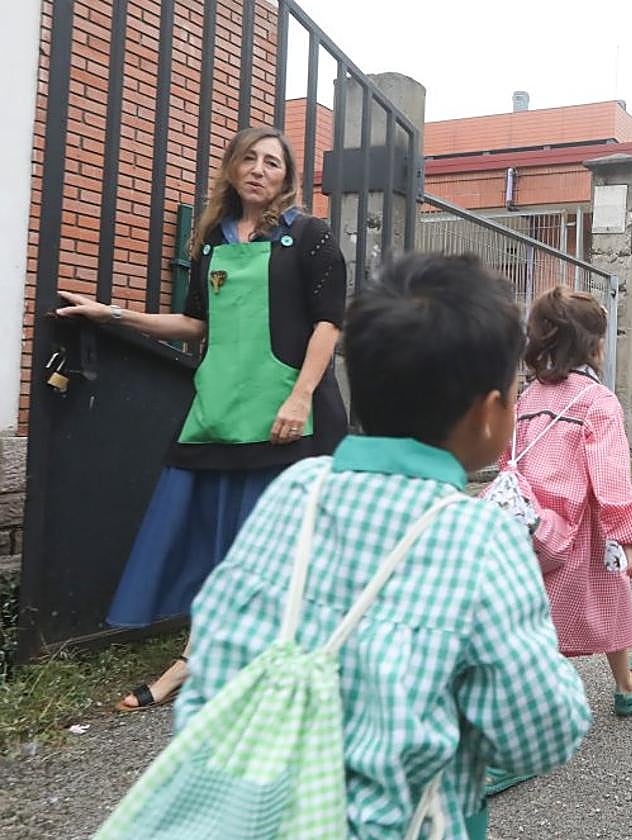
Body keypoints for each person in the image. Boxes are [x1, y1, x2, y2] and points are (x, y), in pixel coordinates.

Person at [173, 253, 592, 837]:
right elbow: (540, 731)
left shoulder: (296, 490)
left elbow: (213, 660)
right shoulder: (479, 537)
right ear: (491, 414)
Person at [55, 126, 348, 710]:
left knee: (291, 548)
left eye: (273, 163)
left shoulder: (309, 236)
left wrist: (299, 397)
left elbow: (328, 323)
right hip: (219, 412)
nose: (260, 170)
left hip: (289, 419)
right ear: (233, 169)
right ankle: (198, 660)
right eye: (251, 159)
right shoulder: (213, 240)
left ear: (287, 178)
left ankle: (302, 665)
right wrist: (114, 315)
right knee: (219, 546)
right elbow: (196, 325)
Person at [484, 286, 632, 793]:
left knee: (532, 620)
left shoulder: (528, 397)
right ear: (595, 347)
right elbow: (610, 477)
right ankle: (623, 686)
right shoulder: (597, 402)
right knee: (610, 598)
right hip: (582, 529)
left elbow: (505, 457)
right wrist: (631, 535)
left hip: (528, 527)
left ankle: (524, 709)